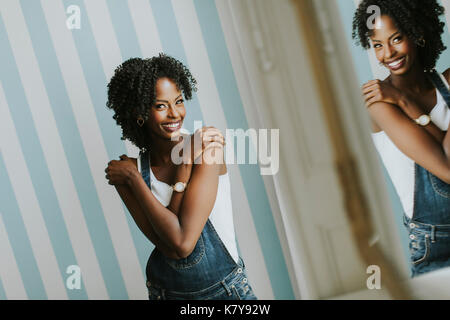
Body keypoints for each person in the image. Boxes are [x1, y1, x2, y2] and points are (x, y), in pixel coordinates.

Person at [104, 54, 257, 299]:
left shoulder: (207, 149)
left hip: (226, 293)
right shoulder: (130, 172)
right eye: (161, 105)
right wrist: (135, 179)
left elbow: (183, 244)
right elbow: (168, 245)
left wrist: (185, 161)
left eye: (179, 101)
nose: (175, 113)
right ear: (139, 112)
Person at [352, 0, 450, 277]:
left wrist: (408, 103)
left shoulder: (446, 84)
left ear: (417, 33)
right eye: (378, 44)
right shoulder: (379, 105)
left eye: (396, 38)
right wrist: (402, 102)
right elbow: (447, 168)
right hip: (437, 249)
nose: (388, 53)